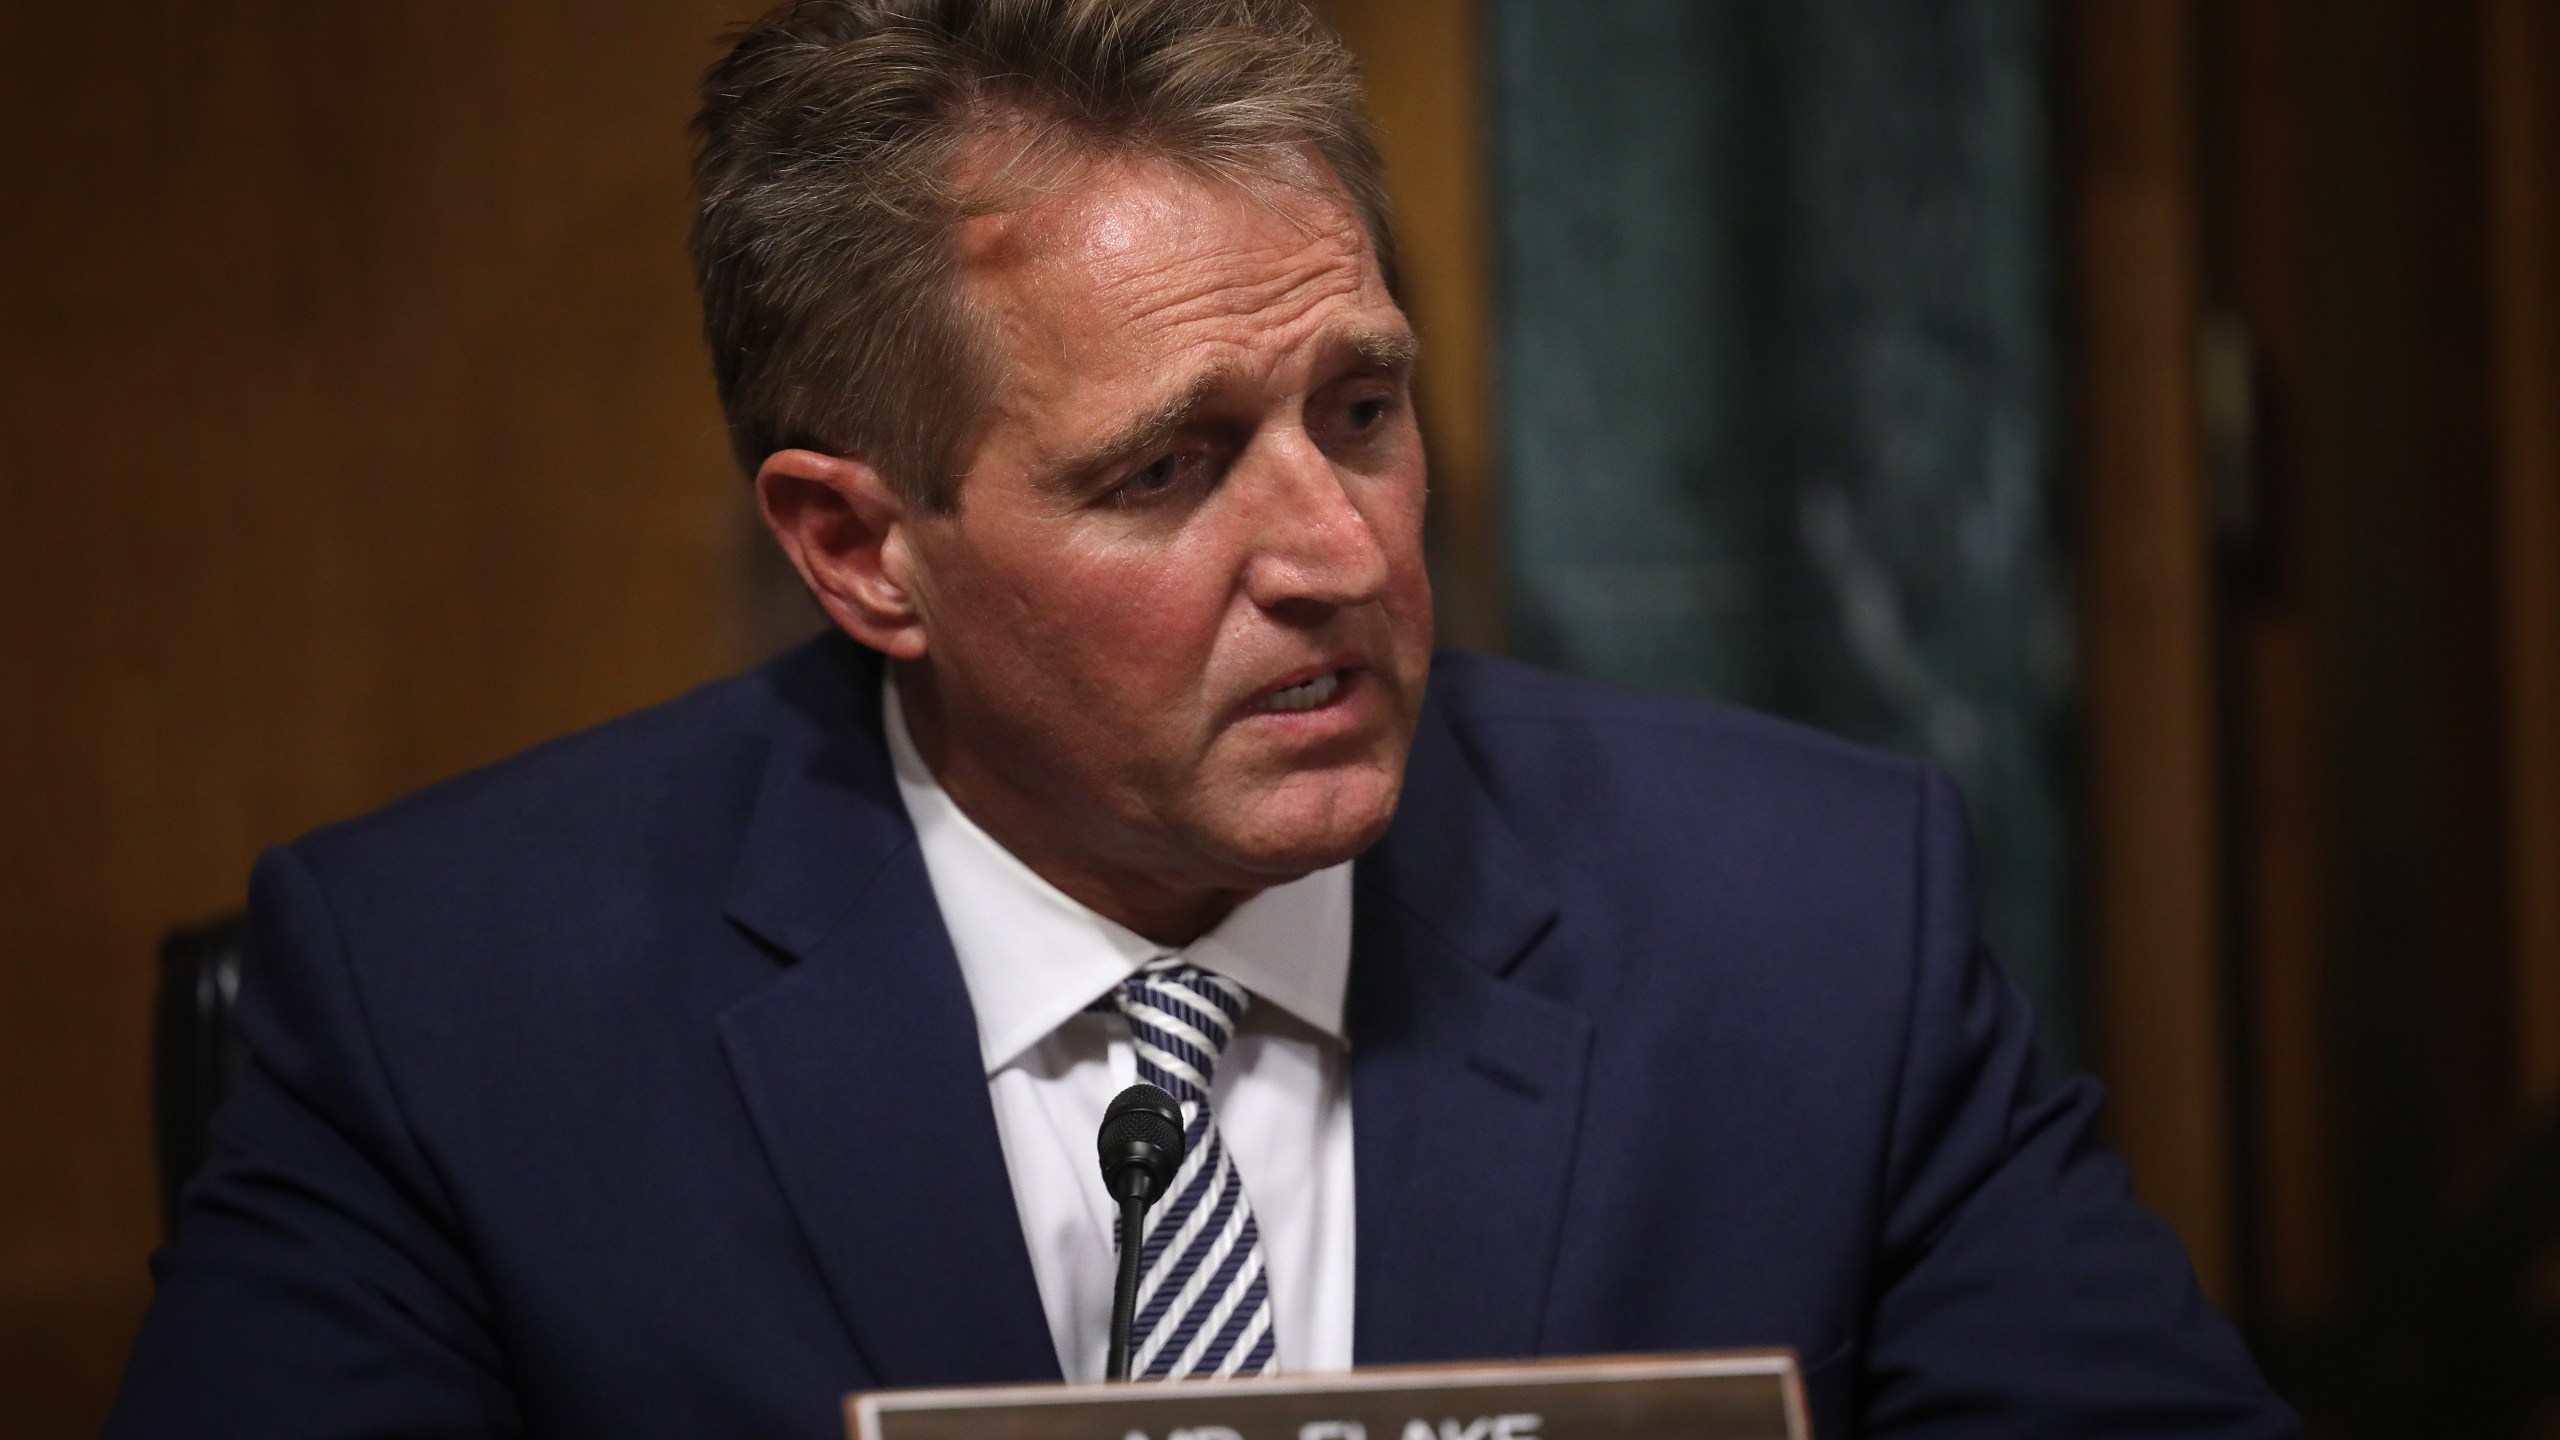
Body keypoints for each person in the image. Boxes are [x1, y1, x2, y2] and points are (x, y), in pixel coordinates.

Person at [108, 2, 2297, 1436]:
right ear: (859, 548)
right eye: (1165, 467)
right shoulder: (444, 1006)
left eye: (1362, 408)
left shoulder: (1808, 923)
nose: (1331, 547)